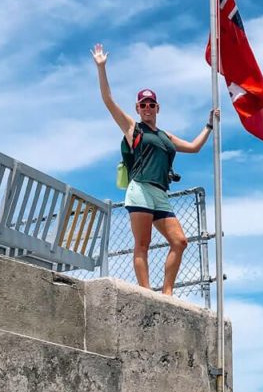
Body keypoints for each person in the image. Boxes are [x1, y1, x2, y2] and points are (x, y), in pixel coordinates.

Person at [91, 43, 213, 295]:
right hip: (140, 189)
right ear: (137, 108)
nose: (147, 108)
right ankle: (146, 293)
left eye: (151, 104)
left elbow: (193, 147)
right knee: (143, 244)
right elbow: (107, 99)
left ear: (158, 108)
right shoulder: (132, 128)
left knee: (179, 241)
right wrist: (101, 68)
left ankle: (167, 293)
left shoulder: (165, 135)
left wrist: (209, 126)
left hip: (160, 193)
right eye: (143, 104)